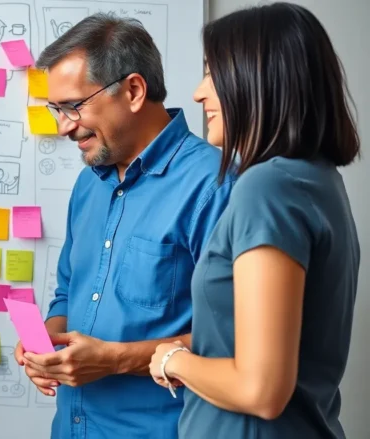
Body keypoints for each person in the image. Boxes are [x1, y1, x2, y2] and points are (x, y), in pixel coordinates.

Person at [13, 13, 235, 439]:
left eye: (73, 106)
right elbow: (67, 293)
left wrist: (115, 359)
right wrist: (46, 342)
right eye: (56, 110)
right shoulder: (87, 185)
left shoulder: (215, 185)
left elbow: (238, 338)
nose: (63, 126)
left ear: (133, 91)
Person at [148, 3, 361, 439]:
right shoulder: (317, 181)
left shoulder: (268, 187)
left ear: (258, 79)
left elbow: (261, 389)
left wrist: (173, 361)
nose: (198, 94)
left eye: (213, 74)